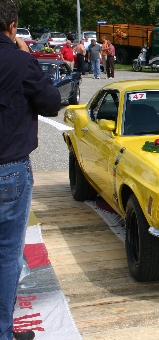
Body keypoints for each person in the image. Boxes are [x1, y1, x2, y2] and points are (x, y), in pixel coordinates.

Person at [0, 1, 61, 339]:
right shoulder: (20, 61)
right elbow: (51, 102)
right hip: (8, 169)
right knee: (7, 255)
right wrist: (26, 55)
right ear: (12, 27)